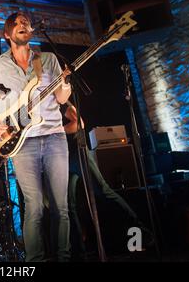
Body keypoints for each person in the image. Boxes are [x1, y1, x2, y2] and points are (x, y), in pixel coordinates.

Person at [0, 11, 72, 262]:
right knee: (33, 208)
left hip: (54, 136)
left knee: (61, 208)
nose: (23, 25)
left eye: (26, 22)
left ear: (32, 30)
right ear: (7, 34)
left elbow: (62, 99)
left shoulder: (49, 58)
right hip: (21, 142)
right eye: (17, 23)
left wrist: (64, 82)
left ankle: (63, 258)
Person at [62, 101, 153, 260]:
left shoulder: (59, 100)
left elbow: (79, 124)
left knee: (104, 192)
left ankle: (143, 234)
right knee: (68, 206)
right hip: (60, 158)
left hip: (77, 152)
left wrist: (53, 130)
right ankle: (79, 254)